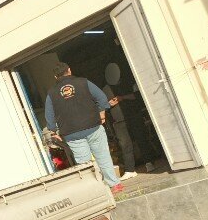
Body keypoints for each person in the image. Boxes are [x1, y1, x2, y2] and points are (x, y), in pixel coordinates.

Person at [44, 62, 123, 194]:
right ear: (69, 70)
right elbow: (102, 98)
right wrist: (102, 113)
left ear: (55, 77)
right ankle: (114, 185)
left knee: (85, 164)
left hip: (72, 134)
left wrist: (53, 131)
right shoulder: (84, 82)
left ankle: (96, 191)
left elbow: (49, 114)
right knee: (103, 156)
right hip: (93, 127)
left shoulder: (51, 93)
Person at [102, 62, 138, 180]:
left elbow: (136, 96)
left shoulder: (127, 82)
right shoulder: (105, 90)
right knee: (125, 144)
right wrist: (108, 104)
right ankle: (130, 169)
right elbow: (102, 106)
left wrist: (122, 98)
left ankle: (149, 162)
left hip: (132, 115)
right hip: (117, 121)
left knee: (140, 138)